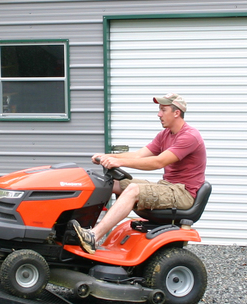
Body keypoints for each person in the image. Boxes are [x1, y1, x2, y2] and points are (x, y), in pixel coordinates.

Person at [70, 93, 207, 254]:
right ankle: (78, 228)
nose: (159, 114)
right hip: (167, 187)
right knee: (112, 184)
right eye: (159, 110)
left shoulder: (189, 137)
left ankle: (93, 236)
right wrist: (108, 156)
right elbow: (139, 155)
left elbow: (158, 162)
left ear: (176, 113)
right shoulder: (165, 135)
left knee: (133, 189)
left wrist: (119, 162)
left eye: (163, 110)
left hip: (183, 192)